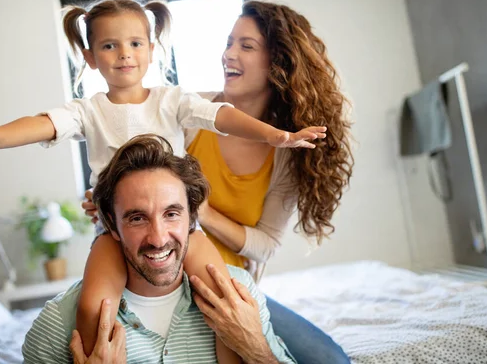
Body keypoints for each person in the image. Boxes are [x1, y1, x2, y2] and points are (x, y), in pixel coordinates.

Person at [0, 0, 326, 361]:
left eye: (135, 43)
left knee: (222, 294)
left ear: (151, 50)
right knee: (94, 305)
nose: (124, 54)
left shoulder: (174, 101)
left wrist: (278, 137)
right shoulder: (87, 111)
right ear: (91, 57)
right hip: (111, 231)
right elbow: (41, 124)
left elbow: (222, 118)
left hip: (192, 229)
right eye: (109, 45)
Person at [82, 0, 353, 363]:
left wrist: (200, 212)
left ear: (279, 63)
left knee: (330, 360)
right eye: (228, 42)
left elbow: (265, 245)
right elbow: (132, 172)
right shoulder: (193, 112)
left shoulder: (286, 149)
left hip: (230, 283)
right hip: (160, 273)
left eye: (246, 46)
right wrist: (110, 204)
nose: (228, 54)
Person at [22, 134, 296, 364]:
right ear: (112, 226)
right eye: (137, 218)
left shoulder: (240, 297)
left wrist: (255, 349)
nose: (158, 238)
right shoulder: (58, 324)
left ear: (191, 217)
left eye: (172, 214)